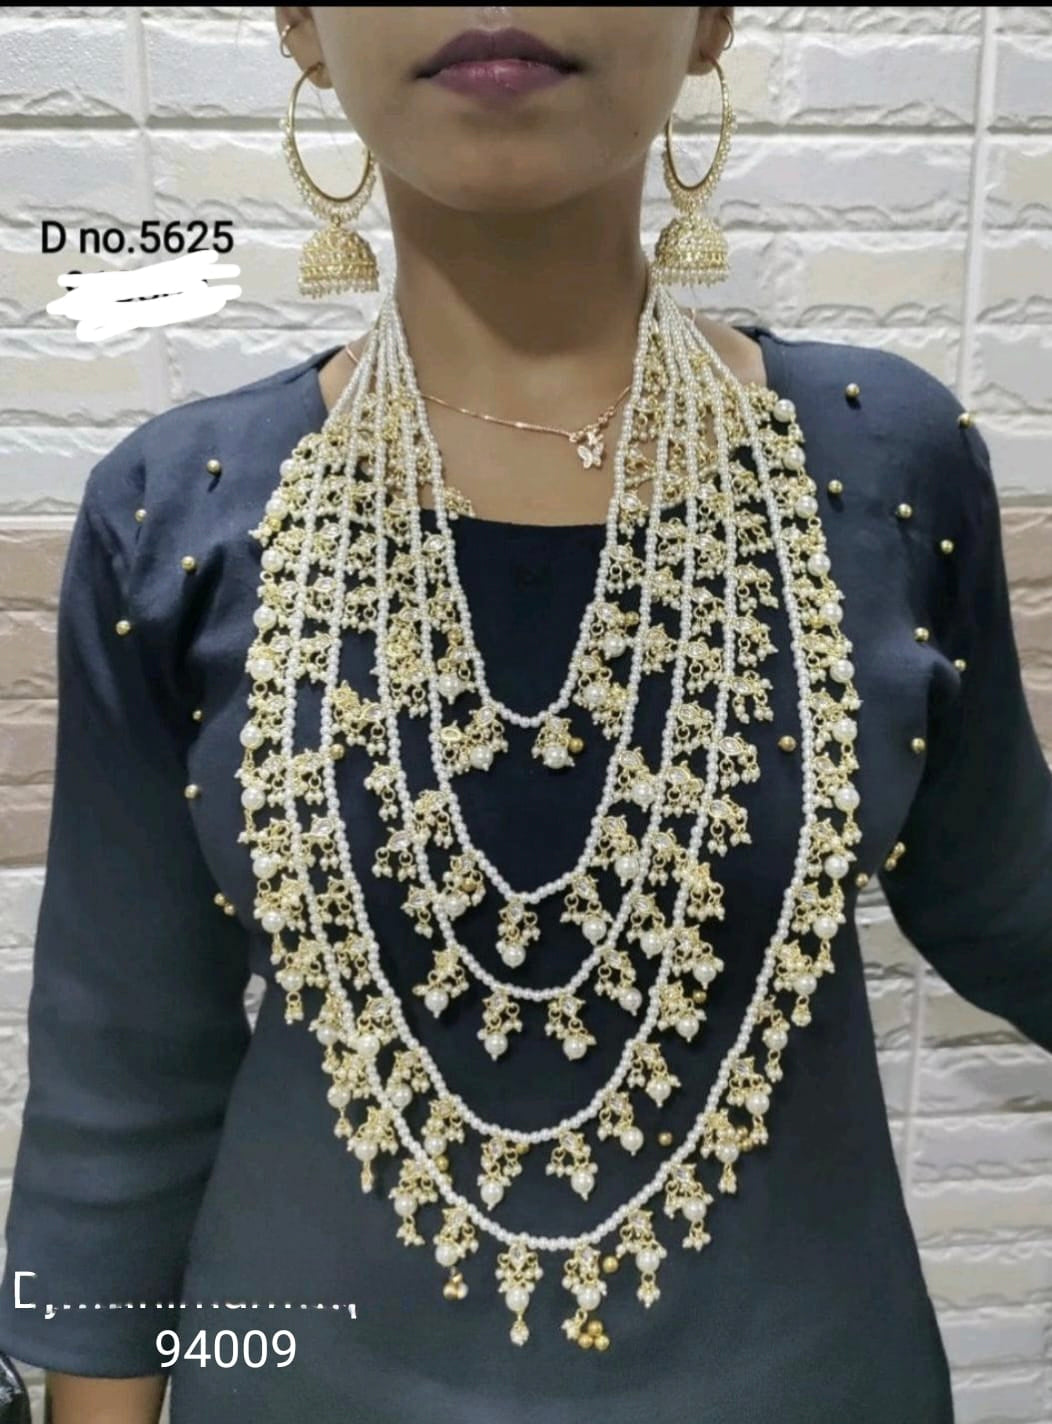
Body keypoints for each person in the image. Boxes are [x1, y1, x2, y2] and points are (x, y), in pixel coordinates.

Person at [2, 7, 1051, 1423]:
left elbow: (1010, 897)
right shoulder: (173, 516)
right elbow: (121, 1077)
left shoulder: (885, 466)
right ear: (302, 24)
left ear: (711, 19)